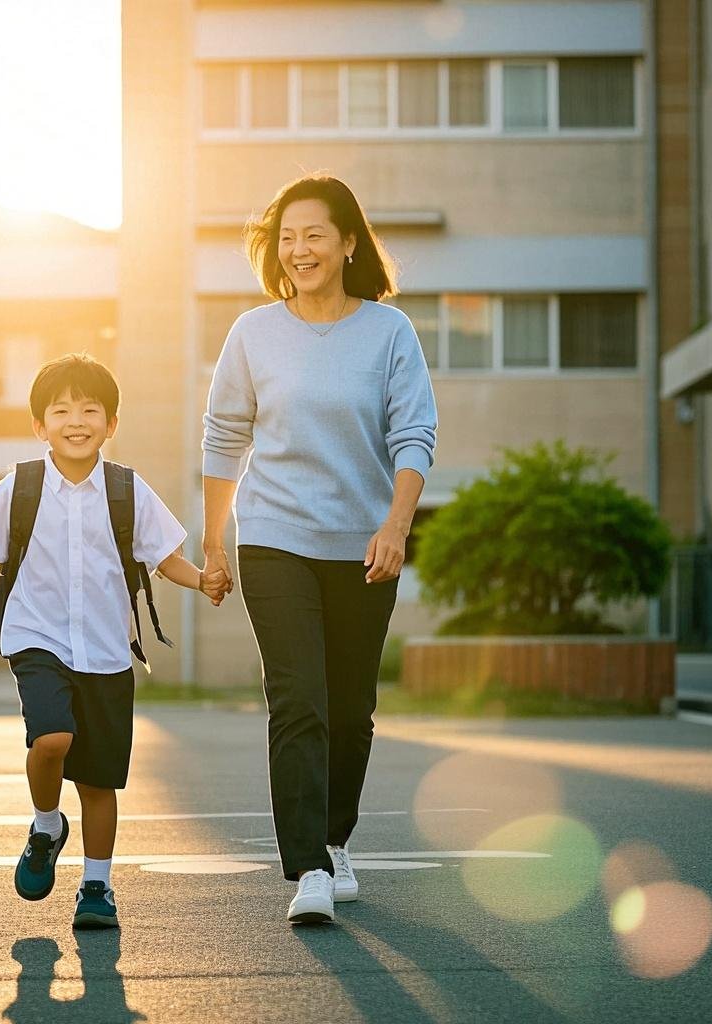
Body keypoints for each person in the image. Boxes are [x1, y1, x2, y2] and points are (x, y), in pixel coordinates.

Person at [201, 174, 438, 925]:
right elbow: (224, 436)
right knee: (298, 699)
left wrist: (396, 525)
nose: (298, 250)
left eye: (313, 235)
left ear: (347, 243)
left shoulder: (388, 333)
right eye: (287, 237)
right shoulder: (253, 333)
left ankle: (335, 842)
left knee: (350, 708)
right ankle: (307, 866)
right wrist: (214, 541)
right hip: (274, 537)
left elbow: (414, 434)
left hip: (363, 545)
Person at [0, 353, 227, 929]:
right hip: (37, 637)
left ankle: (96, 887)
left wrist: (202, 580)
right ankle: (47, 824)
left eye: (90, 409)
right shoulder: (19, 486)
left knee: (99, 781)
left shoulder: (127, 489)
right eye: (61, 410)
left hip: (105, 649)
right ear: (39, 425)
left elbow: (163, 557)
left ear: (111, 423)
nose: (76, 421)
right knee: (52, 738)